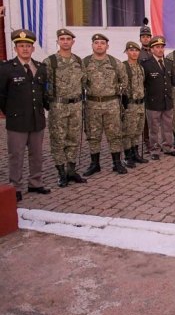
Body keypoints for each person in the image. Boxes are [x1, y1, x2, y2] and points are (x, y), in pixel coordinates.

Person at [0, 29, 50, 201]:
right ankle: (15, 187)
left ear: (33, 48)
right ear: (16, 48)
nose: (25, 49)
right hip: (17, 121)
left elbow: (43, 93)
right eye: (21, 46)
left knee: (37, 154)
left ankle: (35, 182)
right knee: (16, 155)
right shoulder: (6, 69)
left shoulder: (40, 68)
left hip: (37, 119)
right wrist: (11, 113)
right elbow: (2, 96)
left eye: (28, 46)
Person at [43, 28, 87, 187]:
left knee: (73, 139)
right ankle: (61, 173)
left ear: (73, 42)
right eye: (62, 39)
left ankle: (71, 170)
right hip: (58, 106)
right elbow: (43, 84)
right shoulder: (50, 62)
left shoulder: (78, 61)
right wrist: (47, 102)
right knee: (58, 139)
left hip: (76, 105)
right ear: (58, 41)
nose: (65, 42)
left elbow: (83, 82)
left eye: (68, 39)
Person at [82, 33, 128, 176]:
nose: (99, 45)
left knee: (115, 134)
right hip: (92, 104)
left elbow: (124, 81)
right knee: (93, 135)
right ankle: (95, 164)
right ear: (92, 45)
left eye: (102, 43)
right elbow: (80, 82)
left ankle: (117, 163)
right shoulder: (84, 63)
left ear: (107, 46)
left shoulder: (115, 63)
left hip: (111, 104)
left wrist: (114, 90)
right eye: (96, 43)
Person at [140, 36, 175, 160]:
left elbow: (173, 81)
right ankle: (154, 150)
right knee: (154, 128)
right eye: (157, 47)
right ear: (151, 49)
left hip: (167, 101)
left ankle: (167, 147)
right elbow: (142, 84)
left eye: (162, 47)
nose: (160, 49)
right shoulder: (145, 64)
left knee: (168, 126)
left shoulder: (169, 63)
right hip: (153, 102)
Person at [122, 41, 148, 168]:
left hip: (140, 104)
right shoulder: (123, 67)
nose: (134, 53)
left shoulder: (140, 67)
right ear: (127, 52)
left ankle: (135, 153)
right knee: (128, 132)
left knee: (138, 130)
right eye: (131, 50)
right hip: (130, 105)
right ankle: (128, 156)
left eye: (136, 50)